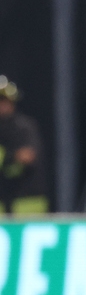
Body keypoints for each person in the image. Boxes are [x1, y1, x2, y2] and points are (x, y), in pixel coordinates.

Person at [0, 76, 44, 214]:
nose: (3, 105)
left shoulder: (24, 127)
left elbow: (28, 156)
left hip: (26, 200)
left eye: (5, 101)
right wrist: (14, 156)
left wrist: (7, 156)